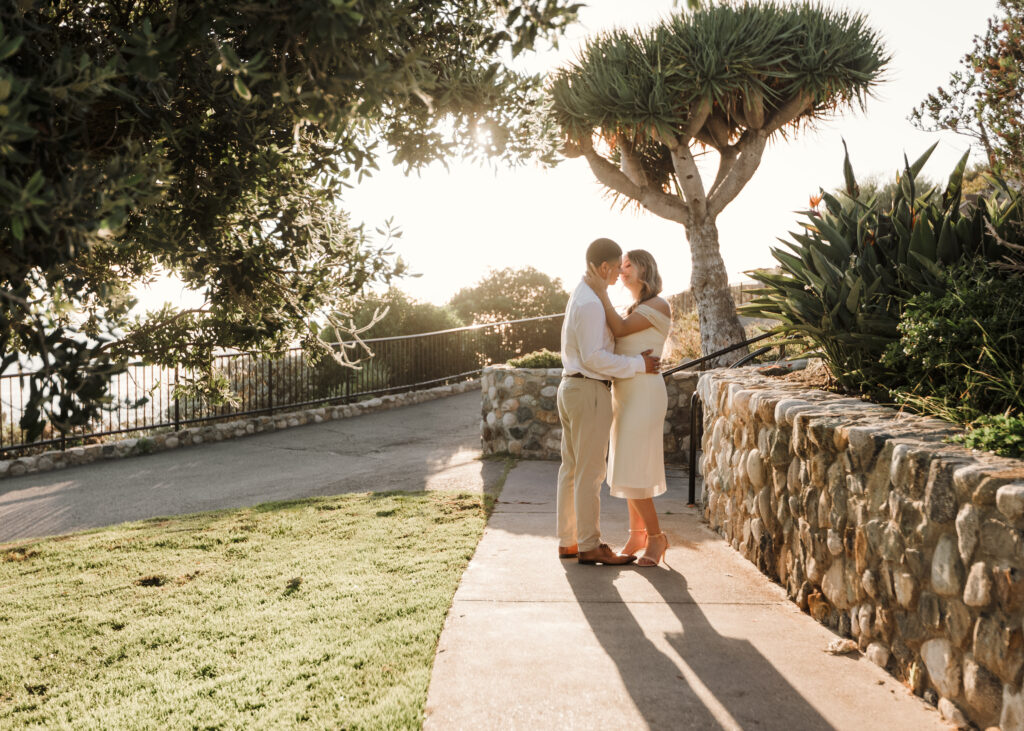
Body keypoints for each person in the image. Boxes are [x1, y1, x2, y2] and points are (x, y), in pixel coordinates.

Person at [557, 238, 660, 566]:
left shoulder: (582, 294)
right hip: (588, 390)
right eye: (617, 267)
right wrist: (637, 365)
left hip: (572, 388)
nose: (619, 274)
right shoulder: (590, 302)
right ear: (604, 267)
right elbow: (595, 357)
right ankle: (589, 545)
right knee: (590, 472)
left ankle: (568, 541)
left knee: (572, 469)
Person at [583, 249, 671, 567]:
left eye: (628, 265)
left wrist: (599, 291)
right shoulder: (636, 307)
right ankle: (637, 536)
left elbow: (619, 330)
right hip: (626, 393)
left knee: (634, 467)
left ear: (645, 267)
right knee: (627, 465)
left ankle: (658, 538)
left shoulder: (657, 304)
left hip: (645, 394)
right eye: (620, 267)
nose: (622, 271)